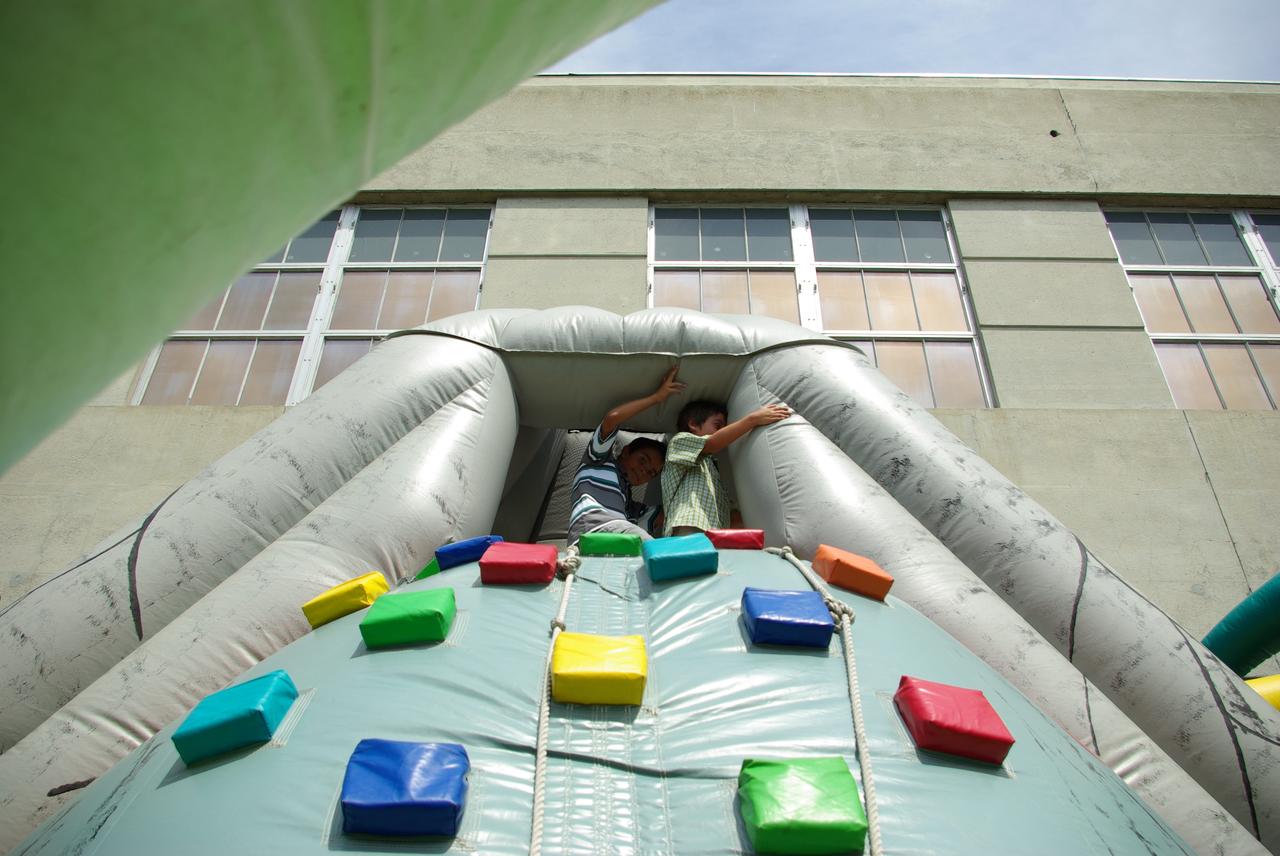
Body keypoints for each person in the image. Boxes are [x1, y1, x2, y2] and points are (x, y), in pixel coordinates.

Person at [567, 367, 685, 546]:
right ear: (626, 451)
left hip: (604, 543)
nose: (644, 472)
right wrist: (656, 398)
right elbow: (612, 419)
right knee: (658, 552)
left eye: (651, 473)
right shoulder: (599, 460)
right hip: (595, 530)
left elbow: (669, 513)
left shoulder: (628, 506)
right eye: (643, 460)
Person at [661, 399, 790, 536]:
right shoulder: (679, 441)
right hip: (689, 523)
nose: (723, 431)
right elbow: (712, 443)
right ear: (693, 424)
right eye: (717, 425)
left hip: (711, 530)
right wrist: (753, 419)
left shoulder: (711, 469)